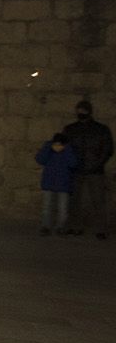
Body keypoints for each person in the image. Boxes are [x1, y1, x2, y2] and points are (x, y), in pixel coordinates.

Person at [63, 100, 112, 239]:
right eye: (79, 112)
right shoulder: (71, 129)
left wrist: (96, 165)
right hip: (76, 169)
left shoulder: (101, 130)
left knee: (98, 201)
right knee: (74, 200)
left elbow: (107, 149)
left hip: (95, 170)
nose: (81, 114)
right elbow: (66, 149)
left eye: (83, 112)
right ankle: (75, 226)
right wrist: (71, 164)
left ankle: (101, 229)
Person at [36, 133, 79, 236]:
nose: (57, 147)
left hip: (63, 183)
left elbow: (73, 163)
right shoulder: (49, 150)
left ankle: (60, 227)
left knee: (62, 209)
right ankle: (45, 226)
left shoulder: (68, 151)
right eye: (55, 144)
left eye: (60, 144)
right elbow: (40, 159)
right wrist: (47, 148)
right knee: (46, 207)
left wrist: (67, 149)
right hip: (49, 182)